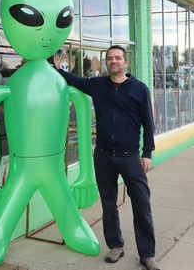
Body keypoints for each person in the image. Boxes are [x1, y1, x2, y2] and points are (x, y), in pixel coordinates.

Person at [58, 45, 160, 270]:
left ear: (126, 63)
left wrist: (147, 153)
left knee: (142, 205)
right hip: (103, 156)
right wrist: (47, 64)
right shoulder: (98, 85)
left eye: (117, 58)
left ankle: (147, 254)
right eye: (109, 59)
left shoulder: (139, 89)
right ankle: (115, 245)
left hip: (130, 157)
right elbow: (73, 79)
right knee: (109, 204)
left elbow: (148, 124)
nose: (113, 62)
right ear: (106, 63)